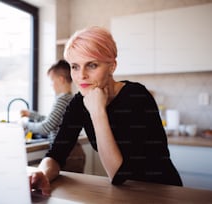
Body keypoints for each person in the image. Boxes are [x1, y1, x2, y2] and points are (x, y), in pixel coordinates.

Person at [29, 26, 182, 196]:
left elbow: (118, 174)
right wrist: (42, 173)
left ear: (112, 66)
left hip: (162, 191)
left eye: (92, 65)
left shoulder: (136, 96)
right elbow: (56, 154)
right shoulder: (78, 103)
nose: (81, 76)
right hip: (124, 194)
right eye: (75, 67)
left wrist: (97, 111)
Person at [21, 59, 86, 173]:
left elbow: (46, 127)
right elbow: (52, 121)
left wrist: (25, 124)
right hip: (71, 153)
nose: (51, 85)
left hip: (69, 154)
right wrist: (31, 114)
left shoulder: (63, 100)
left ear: (61, 79)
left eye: (52, 81)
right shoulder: (67, 99)